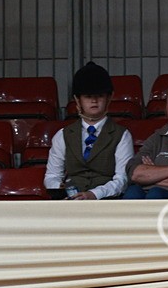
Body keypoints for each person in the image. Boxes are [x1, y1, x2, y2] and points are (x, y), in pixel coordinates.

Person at [43, 61, 134, 199]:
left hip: (107, 201)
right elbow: (52, 175)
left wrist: (94, 194)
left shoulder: (122, 135)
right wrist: (58, 187)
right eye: (88, 96)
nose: (94, 101)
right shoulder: (62, 135)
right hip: (70, 200)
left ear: (109, 98)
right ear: (78, 100)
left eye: (99, 96)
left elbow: (122, 179)